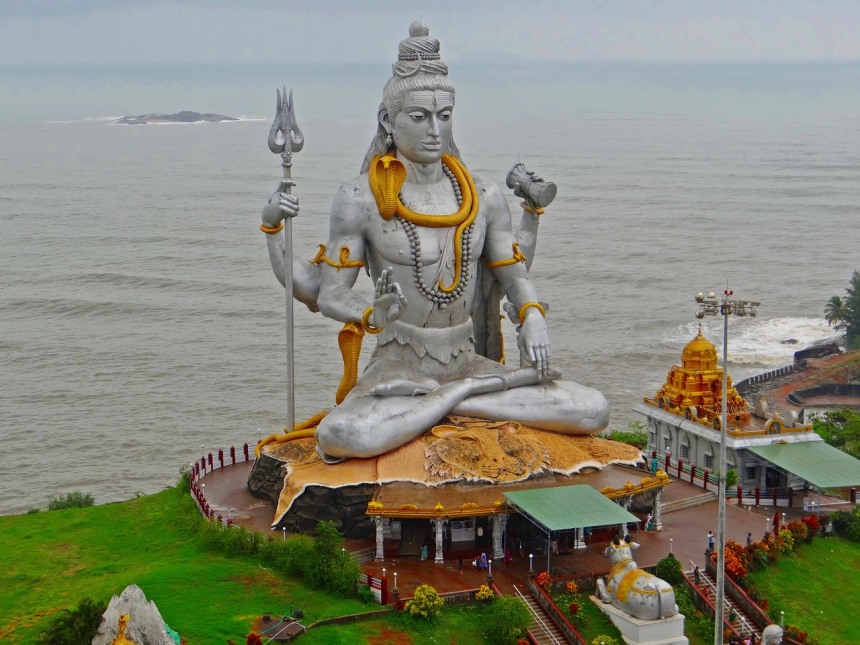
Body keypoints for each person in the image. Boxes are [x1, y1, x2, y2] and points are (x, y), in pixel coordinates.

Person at [260, 21, 609, 462]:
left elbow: (514, 275)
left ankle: (452, 397)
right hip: (399, 364)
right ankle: (465, 399)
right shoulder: (359, 197)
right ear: (389, 120)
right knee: (344, 434)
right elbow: (330, 293)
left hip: (466, 358)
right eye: (420, 117)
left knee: (592, 408)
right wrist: (371, 313)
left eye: (444, 117)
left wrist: (533, 315)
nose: (435, 131)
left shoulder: (482, 195)